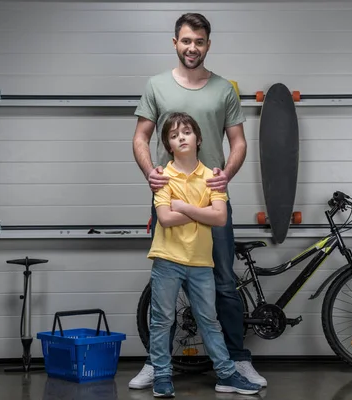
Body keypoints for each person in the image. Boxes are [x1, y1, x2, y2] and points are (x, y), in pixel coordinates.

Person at [130, 12, 267, 390]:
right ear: (175, 42)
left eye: (200, 41)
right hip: (169, 196)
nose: (193, 47)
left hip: (211, 198)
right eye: (186, 40)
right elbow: (141, 138)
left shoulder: (224, 89)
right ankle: (158, 367)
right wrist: (149, 172)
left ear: (209, 44)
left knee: (224, 284)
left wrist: (228, 173)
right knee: (165, 286)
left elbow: (237, 143)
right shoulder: (156, 86)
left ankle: (238, 362)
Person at [144, 112, 261, 397]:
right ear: (169, 145)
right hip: (167, 259)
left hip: (200, 262)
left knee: (209, 320)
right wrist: (202, 213)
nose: (180, 137)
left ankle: (226, 374)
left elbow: (220, 217)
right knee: (162, 320)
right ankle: (161, 376)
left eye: (186, 132)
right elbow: (164, 218)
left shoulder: (213, 177)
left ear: (198, 139)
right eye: (173, 135)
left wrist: (182, 207)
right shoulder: (162, 177)